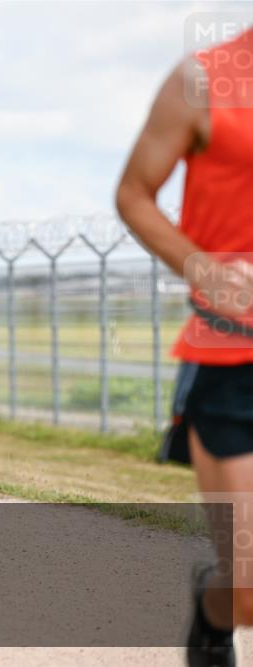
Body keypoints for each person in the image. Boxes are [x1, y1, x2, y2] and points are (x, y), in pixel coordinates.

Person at [116, 27, 252, 667]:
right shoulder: (203, 79)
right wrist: (205, 271)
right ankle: (216, 607)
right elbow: (134, 194)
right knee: (248, 587)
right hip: (235, 356)